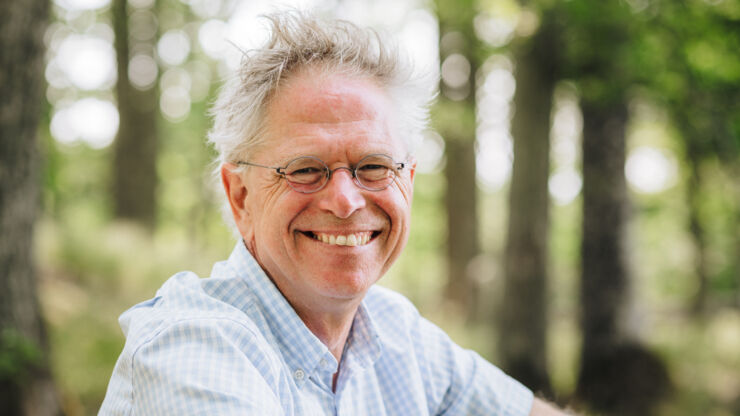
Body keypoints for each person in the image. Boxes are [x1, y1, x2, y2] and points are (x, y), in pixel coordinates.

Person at [100, 10, 569, 416]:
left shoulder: (394, 331)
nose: (346, 200)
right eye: (305, 169)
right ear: (240, 195)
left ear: (408, 180)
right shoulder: (190, 349)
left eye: (373, 166)